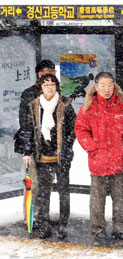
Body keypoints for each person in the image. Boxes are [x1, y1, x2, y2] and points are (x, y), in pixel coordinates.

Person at [74, 72, 123, 245]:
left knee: (119, 199)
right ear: (96, 87)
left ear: (114, 86)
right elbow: (80, 130)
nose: (106, 89)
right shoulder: (88, 107)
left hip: (119, 161)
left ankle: (120, 229)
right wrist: (92, 148)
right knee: (98, 200)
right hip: (98, 161)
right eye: (102, 85)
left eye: (109, 85)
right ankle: (98, 230)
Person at [19, 74, 75, 239]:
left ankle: (63, 224)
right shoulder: (34, 105)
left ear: (57, 86)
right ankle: (44, 224)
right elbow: (28, 130)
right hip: (42, 155)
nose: (49, 88)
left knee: (64, 191)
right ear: (40, 87)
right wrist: (27, 151)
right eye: (46, 85)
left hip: (62, 155)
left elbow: (73, 129)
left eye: (52, 84)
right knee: (44, 193)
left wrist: (65, 146)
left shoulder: (66, 104)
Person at [15, 60, 57, 228]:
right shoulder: (29, 94)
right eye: (45, 70)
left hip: (50, 147)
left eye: (52, 71)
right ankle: (31, 217)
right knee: (34, 184)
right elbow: (24, 124)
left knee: (47, 184)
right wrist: (26, 150)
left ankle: (42, 216)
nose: (49, 73)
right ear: (38, 73)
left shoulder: (56, 92)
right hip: (32, 146)